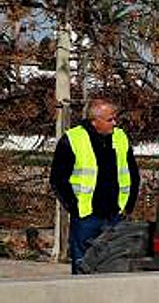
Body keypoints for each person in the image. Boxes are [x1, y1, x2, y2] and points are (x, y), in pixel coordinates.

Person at [49, 98, 140, 274]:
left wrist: (129, 206)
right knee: (83, 268)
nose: (114, 123)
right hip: (86, 217)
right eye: (109, 119)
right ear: (94, 121)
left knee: (114, 268)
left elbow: (133, 174)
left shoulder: (120, 137)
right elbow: (58, 179)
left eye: (114, 118)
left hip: (116, 215)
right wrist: (74, 207)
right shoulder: (73, 139)